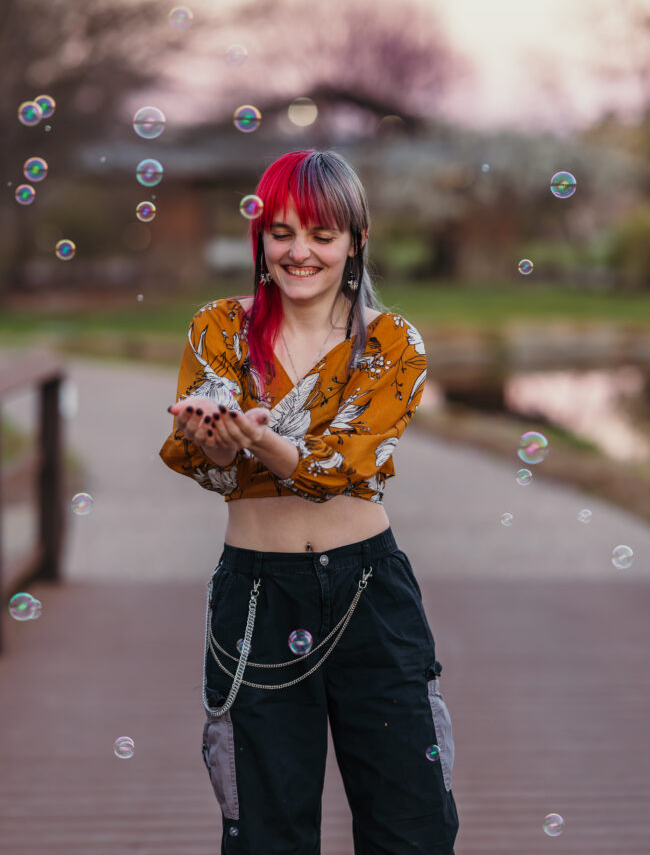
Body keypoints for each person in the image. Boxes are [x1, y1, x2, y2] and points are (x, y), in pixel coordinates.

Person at [159, 149, 459, 854]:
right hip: (256, 597)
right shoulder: (217, 328)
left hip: (369, 592)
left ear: (355, 241)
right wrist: (220, 446)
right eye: (282, 232)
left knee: (410, 825)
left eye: (322, 235)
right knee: (264, 830)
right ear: (258, 239)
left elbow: (344, 466)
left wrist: (257, 443)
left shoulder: (390, 342)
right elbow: (195, 455)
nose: (300, 253)